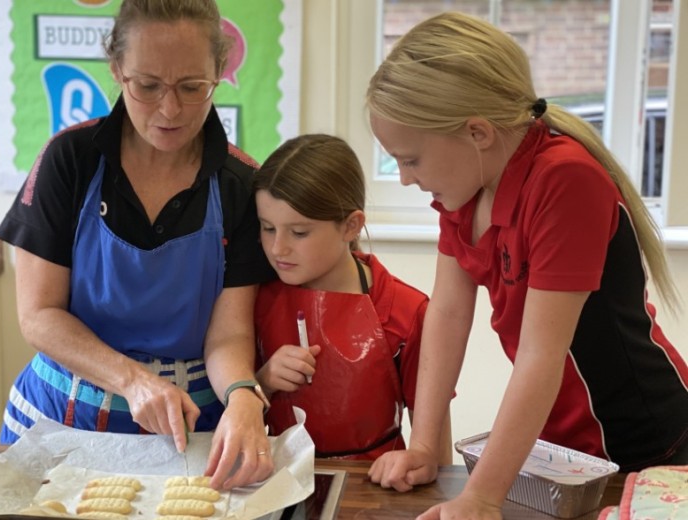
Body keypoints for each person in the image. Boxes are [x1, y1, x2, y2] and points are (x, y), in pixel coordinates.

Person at [364, 10, 688, 519]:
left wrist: (482, 496)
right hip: (566, 448)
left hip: (645, 445)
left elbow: (542, 353)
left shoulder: (565, 181)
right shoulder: (464, 191)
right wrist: (425, 444)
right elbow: (447, 316)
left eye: (411, 159)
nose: (405, 178)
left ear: (477, 132)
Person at [0, 0, 276, 490]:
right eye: (147, 86)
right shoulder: (71, 161)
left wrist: (243, 395)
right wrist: (132, 380)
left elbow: (228, 334)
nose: (170, 109)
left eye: (192, 87)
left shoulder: (240, 184)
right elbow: (38, 314)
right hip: (59, 421)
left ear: (219, 72)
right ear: (117, 70)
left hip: (191, 434)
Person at [252, 134, 453, 463]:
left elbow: (434, 446)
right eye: (267, 228)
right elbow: (233, 407)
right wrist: (263, 381)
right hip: (278, 478)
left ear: (351, 226)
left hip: (375, 488)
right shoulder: (255, 299)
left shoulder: (406, 311)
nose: (278, 248)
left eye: (299, 232)